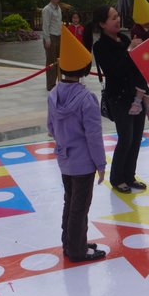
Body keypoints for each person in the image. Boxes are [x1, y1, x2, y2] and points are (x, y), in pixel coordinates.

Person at [47, 25, 106, 262]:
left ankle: (71, 242)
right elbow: (94, 136)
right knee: (80, 206)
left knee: (70, 202)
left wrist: (62, 143)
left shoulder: (53, 94)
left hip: (64, 159)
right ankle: (78, 250)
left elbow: (51, 127)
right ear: (85, 69)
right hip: (83, 164)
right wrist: (101, 164)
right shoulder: (87, 100)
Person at [84, 5, 149, 195]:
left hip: (136, 94)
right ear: (102, 24)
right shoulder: (100, 47)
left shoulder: (125, 39)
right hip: (119, 98)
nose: (118, 20)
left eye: (118, 16)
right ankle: (117, 178)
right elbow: (116, 71)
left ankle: (129, 176)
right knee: (126, 137)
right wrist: (130, 50)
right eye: (113, 18)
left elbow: (138, 67)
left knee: (137, 137)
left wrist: (145, 91)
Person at [42, 0, 62, 91]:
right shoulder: (47, 9)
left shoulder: (58, 8)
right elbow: (45, 25)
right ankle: (50, 85)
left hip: (59, 36)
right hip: (51, 37)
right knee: (51, 62)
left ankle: (59, 82)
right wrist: (47, 39)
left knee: (59, 61)